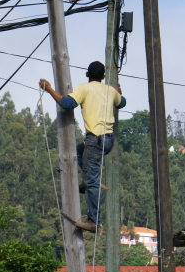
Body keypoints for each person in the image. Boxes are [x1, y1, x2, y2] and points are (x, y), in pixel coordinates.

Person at [39, 61, 126, 233]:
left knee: (92, 180)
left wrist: (48, 89)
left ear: (87, 74)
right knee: (77, 153)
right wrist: (118, 93)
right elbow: (121, 103)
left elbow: (67, 104)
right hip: (108, 140)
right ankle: (89, 180)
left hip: (95, 140)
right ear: (103, 76)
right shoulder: (110, 90)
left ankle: (94, 221)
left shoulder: (84, 88)